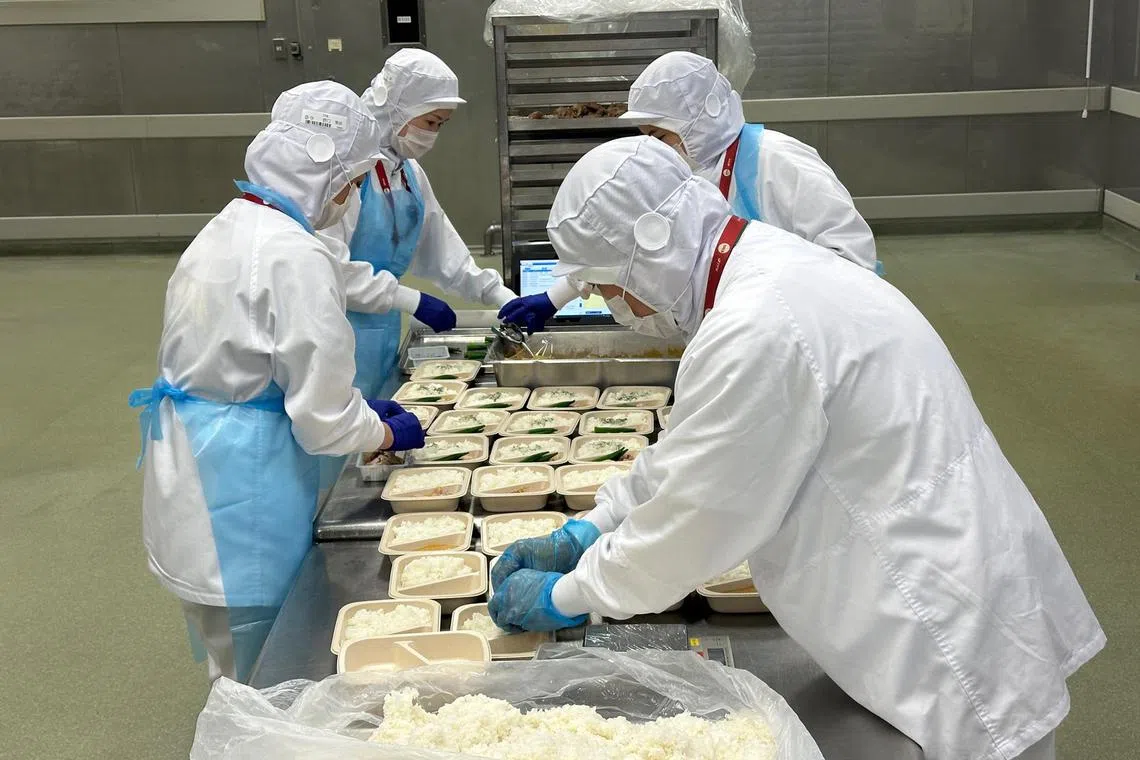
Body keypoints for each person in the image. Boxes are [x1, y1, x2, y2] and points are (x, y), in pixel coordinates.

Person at [488, 136, 1104, 760]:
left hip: (937, 625)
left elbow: (694, 523)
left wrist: (566, 596)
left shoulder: (758, 326)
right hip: (946, 574)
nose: (613, 306)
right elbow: (692, 447)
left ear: (649, 256)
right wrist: (590, 528)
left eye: (607, 287)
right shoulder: (772, 266)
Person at [129, 81, 425, 684]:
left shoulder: (230, 224)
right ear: (325, 181)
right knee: (262, 673)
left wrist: (350, 407)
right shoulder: (295, 254)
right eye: (348, 186)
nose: (347, 201)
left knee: (230, 657)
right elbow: (322, 422)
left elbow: (250, 357)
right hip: (240, 490)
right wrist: (380, 426)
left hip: (194, 460)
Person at [498, 51, 878, 334]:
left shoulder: (778, 162)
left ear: (702, 118)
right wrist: (556, 296)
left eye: (660, 135)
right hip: (726, 326)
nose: (657, 148)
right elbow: (633, 246)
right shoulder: (688, 168)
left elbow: (853, 260)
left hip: (795, 329)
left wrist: (775, 319)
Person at [321, 49, 516, 398]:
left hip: (381, 330)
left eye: (442, 124)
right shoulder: (349, 174)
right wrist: (408, 298)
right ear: (397, 110)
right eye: (430, 122)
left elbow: (443, 250)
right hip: (335, 328)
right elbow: (329, 269)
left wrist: (499, 295)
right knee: (337, 426)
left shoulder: (408, 173)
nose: (434, 134)